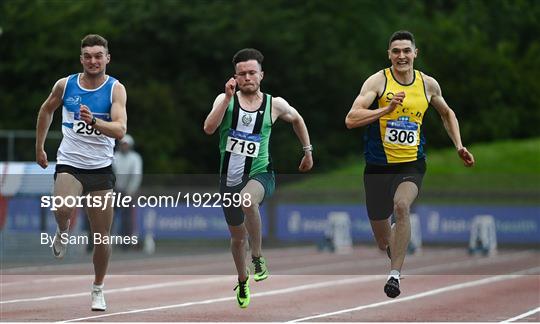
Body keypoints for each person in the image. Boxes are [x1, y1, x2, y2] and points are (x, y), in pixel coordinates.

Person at [345, 30, 475, 298]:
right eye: (396, 51)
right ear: (389, 55)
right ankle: (395, 246)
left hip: (411, 164)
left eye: (406, 51)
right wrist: (386, 110)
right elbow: (351, 119)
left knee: (402, 206)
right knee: (383, 242)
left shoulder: (428, 84)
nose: (401, 56)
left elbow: (447, 113)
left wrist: (459, 145)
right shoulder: (378, 81)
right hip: (377, 168)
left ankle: (394, 276)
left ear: (416, 53)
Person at [204, 48, 313, 308]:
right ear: (235, 77)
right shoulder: (225, 99)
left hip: (261, 173)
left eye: (252, 72)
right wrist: (226, 98)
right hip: (229, 178)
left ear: (261, 75)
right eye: (242, 74)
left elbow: (297, 119)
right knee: (237, 238)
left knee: (247, 200)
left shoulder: (274, 104)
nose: (247, 77)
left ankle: (258, 257)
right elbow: (209, 128)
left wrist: (307, 152)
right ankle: (242, 279)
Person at [35, 34, 127, 311]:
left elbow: (120, 130)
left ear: (107, 58)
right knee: (62, 207)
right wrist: (39, 147)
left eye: (98, 55)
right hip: (70, 163)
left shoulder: (115, 89)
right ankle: (63, 229)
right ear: (81, 59)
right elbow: (46, 109)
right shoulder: (65, 85)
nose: (93, 60)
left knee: (102, 238)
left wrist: (95, 121)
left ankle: (98, 287)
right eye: (88, 56)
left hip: (100, 168)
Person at [113, 134, 142, 249]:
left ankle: (126, 243)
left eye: (126, 144)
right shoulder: (115, 156)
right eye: (122, 144)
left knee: (127, 218)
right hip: (115, 190)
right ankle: (106, 240)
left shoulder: (135, 158)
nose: (124, 146)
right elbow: (111, 173)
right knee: (109, 216)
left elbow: (136, 176)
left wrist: (130, 191)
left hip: (128, 192)